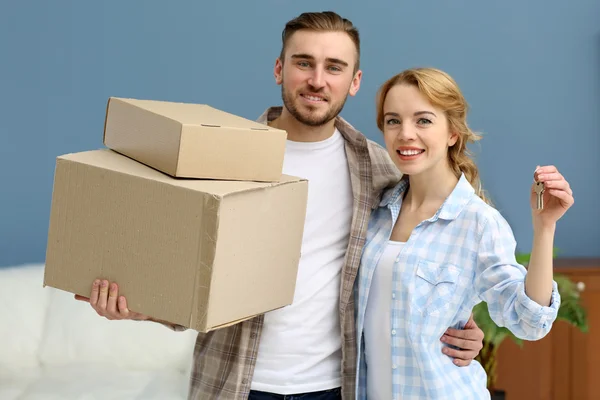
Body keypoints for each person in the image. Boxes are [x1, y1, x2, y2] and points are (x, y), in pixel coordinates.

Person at [74, 12, 487, 400]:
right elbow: (189, 268)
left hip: (335, 387)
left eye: (334, 67)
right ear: (279, 69)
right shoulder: (223, 156)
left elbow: (421, 255)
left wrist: (464, 328)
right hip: (234, 381)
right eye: (303, 63)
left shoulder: (379, 169)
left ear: (355, 81)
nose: (317, 80)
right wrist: (142, 305)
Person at [355, 67, 574, 399]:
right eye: (393, 120)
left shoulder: (478, 223)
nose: (405, 134)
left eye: (423, 120)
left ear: (453, 133)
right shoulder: (374, 212)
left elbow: (529, 322)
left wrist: (545, 229)